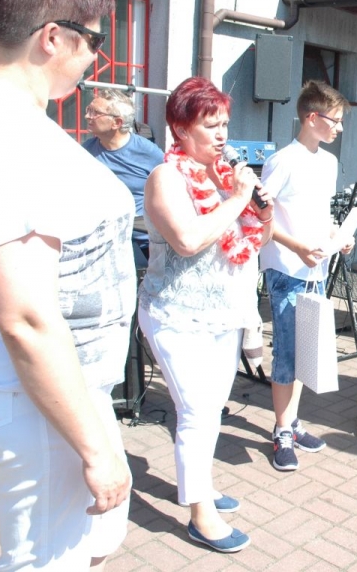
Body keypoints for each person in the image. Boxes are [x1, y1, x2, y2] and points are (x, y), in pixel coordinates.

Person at [0, 0, 135, 569]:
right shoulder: (17, 136)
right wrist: (95, 449)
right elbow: (26, 317)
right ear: (52, 37)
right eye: (95, 41)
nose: (96, 58)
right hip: (42, 404)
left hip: (48, 394)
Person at [137, 76, 274, 553]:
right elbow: (188, 239)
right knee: (195, 409)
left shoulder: (222, 176)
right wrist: (237, 199)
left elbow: (255, 240)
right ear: (180, 128)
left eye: (225, 124)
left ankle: (201, 485)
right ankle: (200, 515)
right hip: (176, 314)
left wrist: (261, 210)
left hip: (224, 313)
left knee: (213, 408)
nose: (222, 135)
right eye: (210, 125)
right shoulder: (166, 177)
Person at [260, 80, 354, 471]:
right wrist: (296, 246)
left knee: (303, 350)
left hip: (315, 269)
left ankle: (292, 422)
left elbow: (320, 214)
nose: (340, 128)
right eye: (335, 120)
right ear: (312, 118)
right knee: (287, 352)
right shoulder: (283, 160)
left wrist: (338, 236)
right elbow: (259, 219)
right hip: (286, 268)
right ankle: (282, 430)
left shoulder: (328, 163)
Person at [82, 88, 164, 257]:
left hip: (142, 239)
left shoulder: (148, 152)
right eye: (88, 110)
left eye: (95, 112)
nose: (87, 116)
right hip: (103, 236)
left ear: (117, 123)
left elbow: (173, 188)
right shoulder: (86, 151)